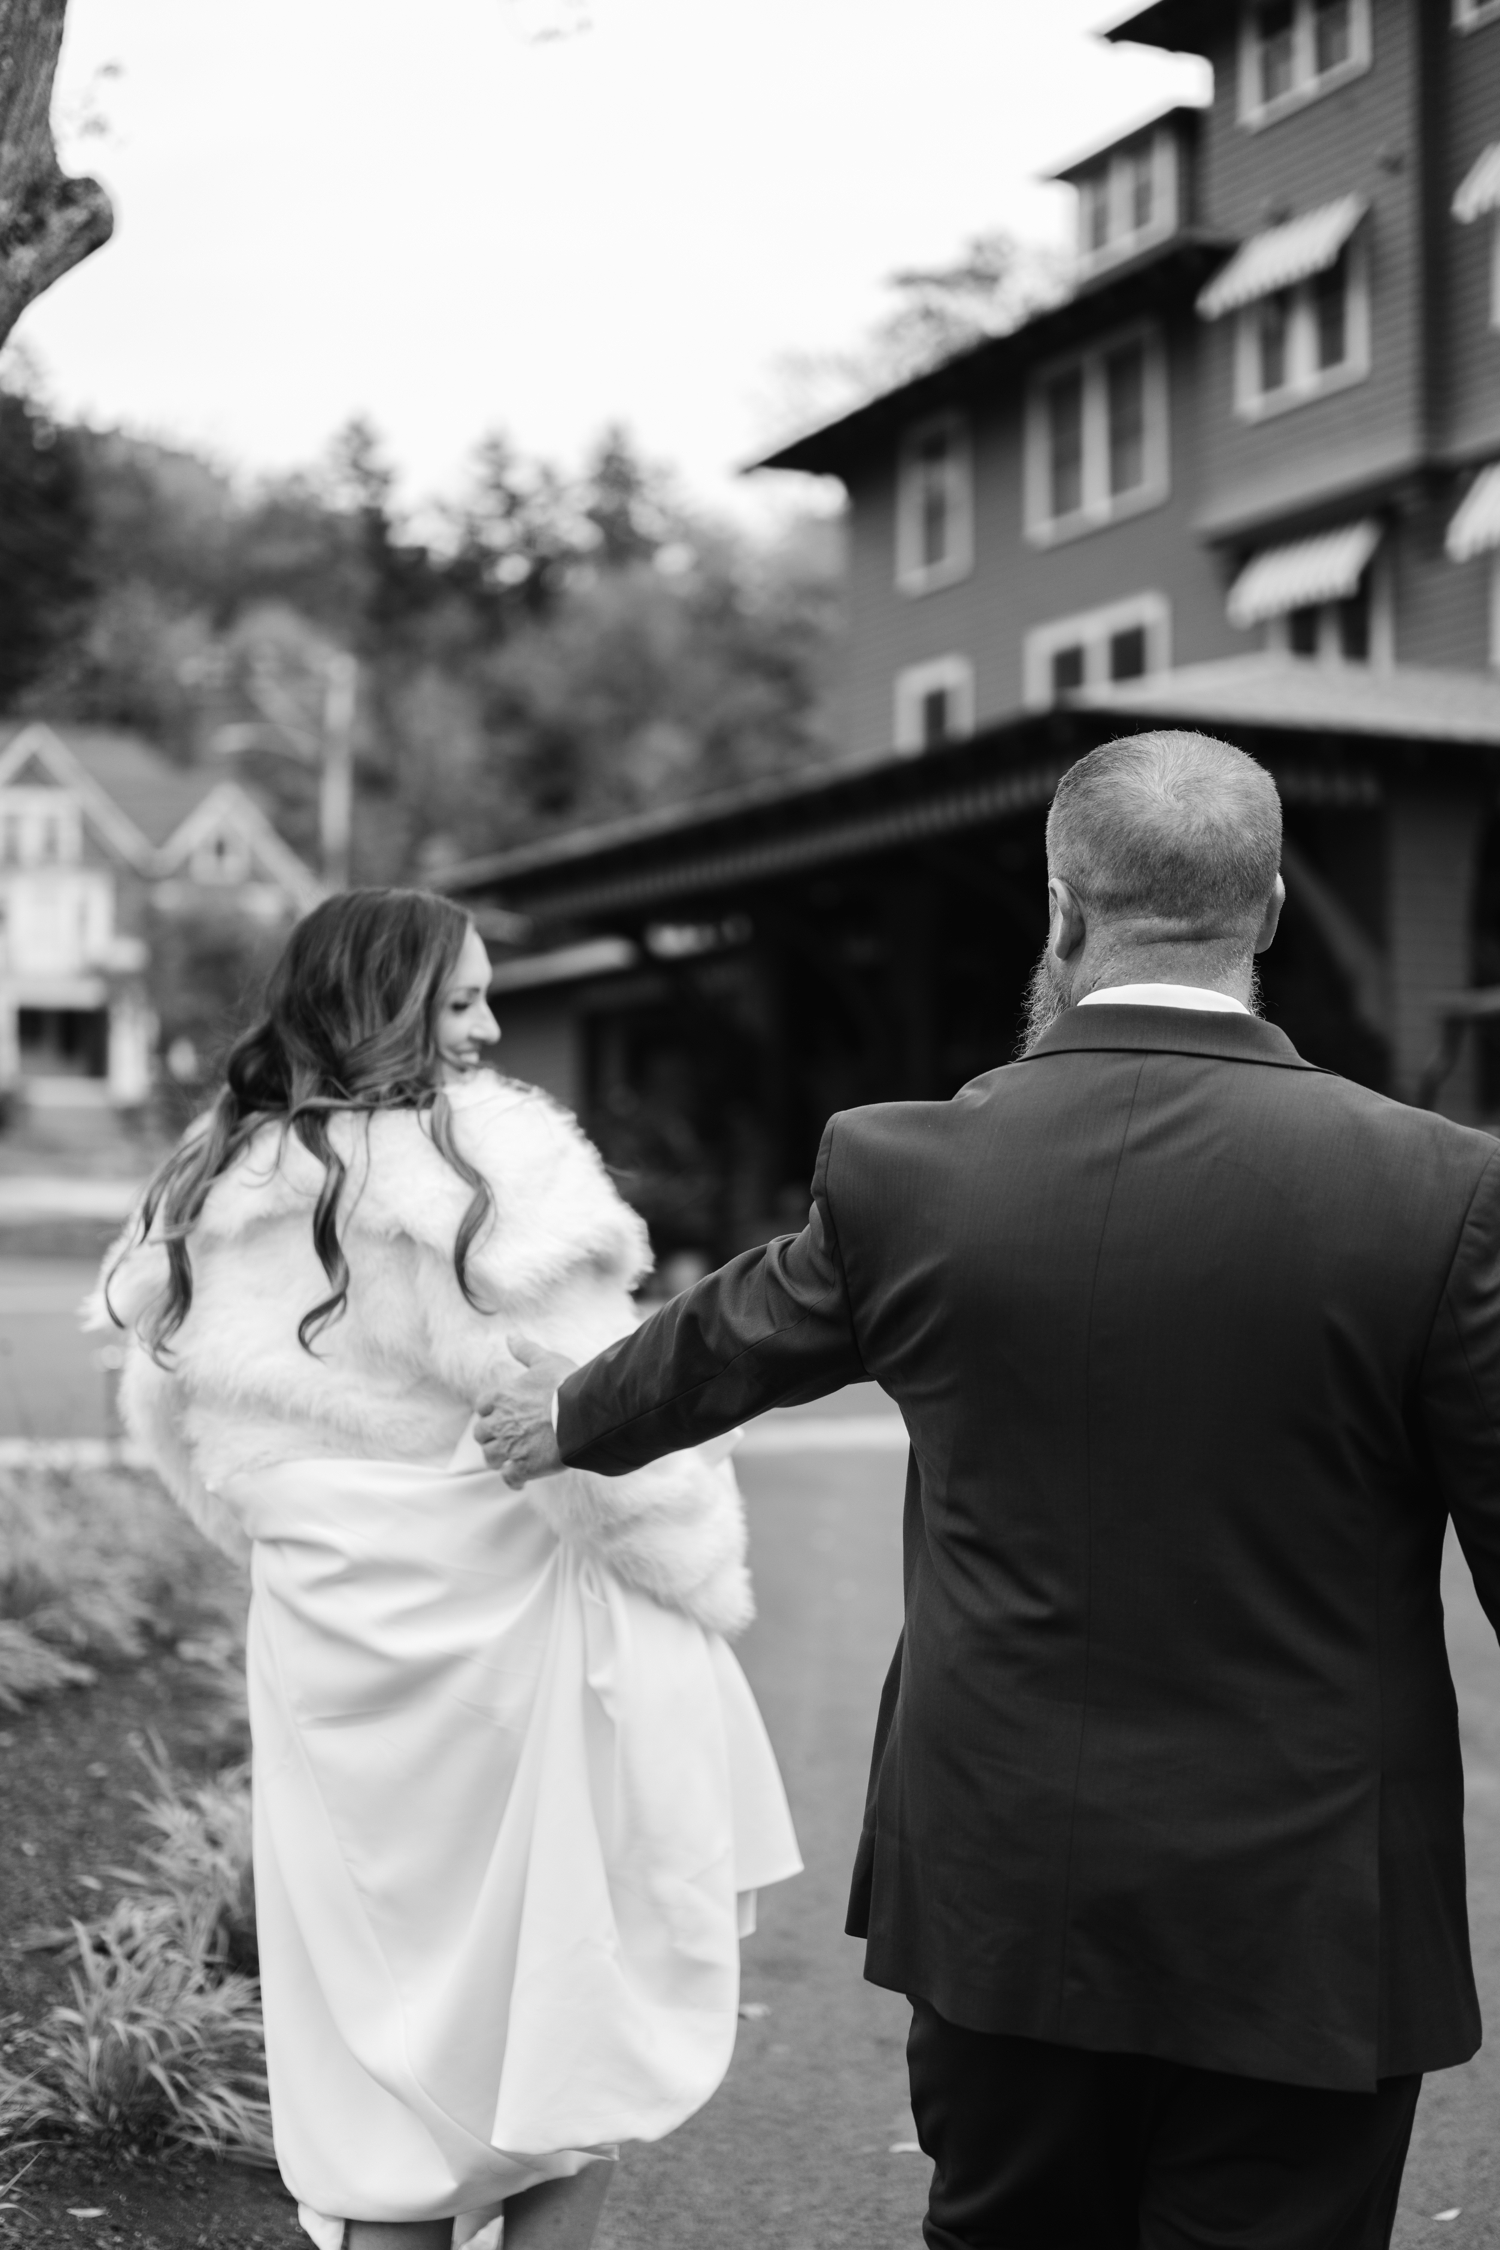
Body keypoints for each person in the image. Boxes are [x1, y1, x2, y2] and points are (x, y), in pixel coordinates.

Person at [477, 730, 1500, 2250]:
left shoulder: (909, 1169)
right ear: (1272, 908)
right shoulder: (1438, 1185)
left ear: (1060, 906)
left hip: (1008, 1880)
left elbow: (728, 1337)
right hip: (1311, 1912)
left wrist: (554, 1417)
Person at [94, 889, 800, 2250]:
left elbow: (179, 1433)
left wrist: (308, 1538)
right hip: (510, 1660)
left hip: (329, 1662)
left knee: (383, 2063)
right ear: (384, 1006)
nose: (486, 1026)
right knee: (567, 2063)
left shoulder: (211, 1185)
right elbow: (602, 1409)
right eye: (461, 998)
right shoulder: (490, 1170)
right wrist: (693, 1568)